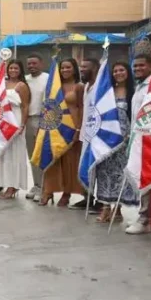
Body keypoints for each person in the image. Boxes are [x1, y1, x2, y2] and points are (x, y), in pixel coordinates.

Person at [94, 62, 138, 223]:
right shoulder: (107, 92)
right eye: (115, 70)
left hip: (125, 141)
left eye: (122, 70)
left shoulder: (134, 92)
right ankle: (105, 207)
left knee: (121, 174)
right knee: (104, 173)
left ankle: (117, 208)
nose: (118, 73)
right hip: (106, 140)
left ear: (128, 72)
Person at [40, 58, 83, 207]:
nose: (65, 70)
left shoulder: (79, 86)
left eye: (68, 67)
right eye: (62, 68)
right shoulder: (53, 86)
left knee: (70, 164)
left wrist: (79, 129)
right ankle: (48, 191)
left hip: (72, 128)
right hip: (55, 128)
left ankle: (67, 193)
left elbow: (82, 108)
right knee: (52, 159)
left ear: (74, 69)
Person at [0, 60, 30, 199]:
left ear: (20, 70)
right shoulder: (3, 84)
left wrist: (22, 125)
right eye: (11, 68)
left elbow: (25, 106)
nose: (13, 70)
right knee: (5, 154)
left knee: (15, 154)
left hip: (16, 120)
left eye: (16, 68)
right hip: (3, 122)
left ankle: (14, 186)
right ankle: (7, 183)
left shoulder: (22, 85)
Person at [125, 53, 151, 235]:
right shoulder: (138, 86)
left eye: (142, 66)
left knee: (147, 178)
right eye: (135, 66)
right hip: (135, 138)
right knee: (140, 177)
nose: (137, 69)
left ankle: (145, 218)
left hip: (149, 139)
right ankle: (147, 216)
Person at [70, 58, 102, 213]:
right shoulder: (85, 86)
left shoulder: (101, 86)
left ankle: (102, 202)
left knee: (99, 168)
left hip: (99, 134)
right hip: (86, 132)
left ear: (95, 68)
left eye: (85, 67)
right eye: (80, 67)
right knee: (85, 166)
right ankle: (87, 197)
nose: (81, 69)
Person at [24, 53, 49, 200]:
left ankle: (45, 187)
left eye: (34, 63)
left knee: (43, 156)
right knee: (32, 156)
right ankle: (36, 184)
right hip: (28, 120)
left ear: (41, 64)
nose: (31, 66)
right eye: (29, 64)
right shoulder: (25, 80)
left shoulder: (48, 78)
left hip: (43, 120)